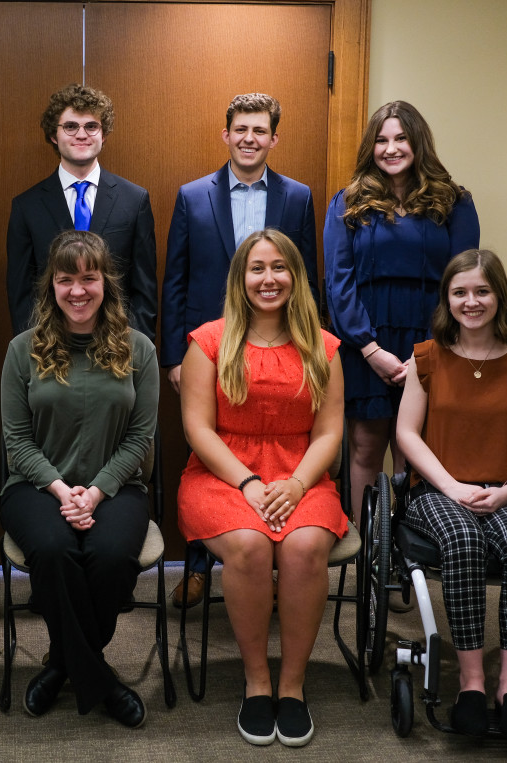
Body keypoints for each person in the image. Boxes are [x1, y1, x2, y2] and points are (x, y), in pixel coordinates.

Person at [178, 229, 345, 747]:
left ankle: (292, 687)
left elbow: (331, 431)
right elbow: (198, 429)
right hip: (223, 472)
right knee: (249, 547)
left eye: (279, 267)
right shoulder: (208, 342)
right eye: (257, 268)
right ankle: (257, 682)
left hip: (302, 471)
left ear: (295, 276)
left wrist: (296, 484)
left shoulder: (323, 345)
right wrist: (248, 482)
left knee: (304, 545)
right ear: (240, 278)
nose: (268, 278)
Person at [162, 93, 317, 608]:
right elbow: (175, 280)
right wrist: (172, 358)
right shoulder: (191, 196)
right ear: (225, 135)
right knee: (206, 448)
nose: (249, 138)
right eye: (240, 129)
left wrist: (311, 352)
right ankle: (202, 566)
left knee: (274, 442)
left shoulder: (297, 197)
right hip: (210, 350)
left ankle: (273, 561)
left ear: (274, 138)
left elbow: (307, 280)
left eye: (260, 130)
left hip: (277, 347)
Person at [0, 230, 158, 728]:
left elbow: (141, 437)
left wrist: (95, 491)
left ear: (105, 284)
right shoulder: (21, 350)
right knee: (54, 549)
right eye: (66, 279)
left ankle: (62, 663)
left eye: (89, 278)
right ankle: (103, 682)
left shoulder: (140, 350)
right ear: (51, 286)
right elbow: (16, 440)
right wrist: (61, 489)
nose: (77, 290)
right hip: (34, 487)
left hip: (116, 486)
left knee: (110, 555)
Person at [395, 250, 507, 741]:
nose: (471, 301)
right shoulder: (427, 358)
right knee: (463, 541)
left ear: (499, 295)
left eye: (482, 291)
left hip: (505, 491)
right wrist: (452, 486)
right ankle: (470, 681)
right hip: (439, 490)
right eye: (460, 292)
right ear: (447, 299)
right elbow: (407, 434)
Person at [323, 100, 479, 537]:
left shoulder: (454, 202)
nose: (390, 148)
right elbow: (338, 283)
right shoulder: (349, 202)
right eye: (381, 140)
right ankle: (371, 552)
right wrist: (370, 350)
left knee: (414, 450)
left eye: (400, 139)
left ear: (417, 143)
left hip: (432, 342)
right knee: (365, 445)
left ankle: (409, 548)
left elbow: (463, 281)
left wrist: (427, 354)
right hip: (366, 342)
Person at [7, 83, 157, 340]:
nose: (81, 134)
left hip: (117, 348)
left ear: (104, 133)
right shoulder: (26, 206)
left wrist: (134, 350)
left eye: (91, 126)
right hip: (50, 350)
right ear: (54, 135)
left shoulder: (134, 200)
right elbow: (21, 293)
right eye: (70, 126)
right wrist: (35, 350)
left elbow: (144, 289)